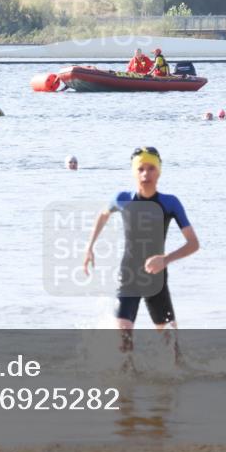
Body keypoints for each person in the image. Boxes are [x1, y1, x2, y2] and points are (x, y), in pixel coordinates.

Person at [83, 147, 200, 364]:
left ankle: (173, 389)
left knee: (171, 347)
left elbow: (193, 244)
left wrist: (164, 260)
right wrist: (89, 247)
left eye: (151, 168)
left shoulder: (170, 203)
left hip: (156, 278)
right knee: (123, 341)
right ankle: (127, 392)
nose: (146, 173)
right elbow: (102, 215)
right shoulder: (122, 199)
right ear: (134, 172)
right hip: (128, 276)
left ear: (159, 172)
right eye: (141, 168)